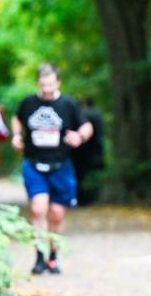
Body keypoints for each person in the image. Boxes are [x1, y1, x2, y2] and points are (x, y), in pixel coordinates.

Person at [11, 63, 94, 275]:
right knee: (38, 209)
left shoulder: (68, 104)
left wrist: (79, 136)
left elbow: (87, 126)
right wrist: (16, 136)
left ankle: (53, 258)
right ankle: (39, 257)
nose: (46, 89)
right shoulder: (29, 102)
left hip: (61, 166)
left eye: (50, 85)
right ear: (38, 83)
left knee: (56, 214)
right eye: (43, 85)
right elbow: (16, 118)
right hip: (34, 164)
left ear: (58, 83)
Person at [71, 98, 106, 206]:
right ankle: (91, 197)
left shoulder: (81, 115)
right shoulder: (97, 114)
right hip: (95, 151)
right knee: (91, 175)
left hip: (79, 152)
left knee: (79, 175)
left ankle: (81, 198)